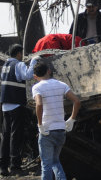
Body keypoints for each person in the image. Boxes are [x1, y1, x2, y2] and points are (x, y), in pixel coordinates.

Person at [32, 61, 81, 180]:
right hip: (60, 130)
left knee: (46, 165)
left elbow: (39, 104)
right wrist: (71, 119)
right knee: (55, 161)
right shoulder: (61, 84)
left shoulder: (37, 87)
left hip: (47, 131)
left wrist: (40, 124)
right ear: (49, 71)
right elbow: (77, 101)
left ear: (35, 76)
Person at [0, 44, 38, 176]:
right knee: (16, 136)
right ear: (18, 54)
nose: (22, 56)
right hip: (16, 104)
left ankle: (3, 167)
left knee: (5, 136)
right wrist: (33, 62)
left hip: (5, 105)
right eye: (21, 53)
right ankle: (15, 165)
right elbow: (28, 76)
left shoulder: (5, 66)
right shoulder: (18, 64)